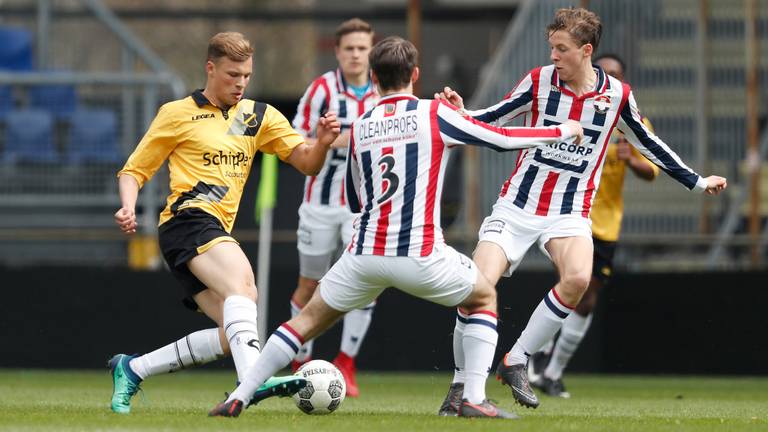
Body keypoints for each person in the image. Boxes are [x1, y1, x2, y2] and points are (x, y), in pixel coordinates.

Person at [208, 35, 584, 419]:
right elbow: (501, 139)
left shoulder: (360, 126)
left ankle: (240, 394)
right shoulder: (433, 113)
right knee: (483, 297)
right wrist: (562, 131)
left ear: (373, 77)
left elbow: (356, 200)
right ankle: (472, 396)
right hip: (420, 254)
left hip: (363, 255)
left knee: (303, 322)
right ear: (415, 75)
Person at [436, 7, 726, 410]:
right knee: (477, 291)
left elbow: (647, 143)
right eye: (551, 47)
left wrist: (696, 181)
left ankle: (517, 359)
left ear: (586, 50)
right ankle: (460, 385)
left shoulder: (616, 95)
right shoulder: (538, 81)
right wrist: (461, 112)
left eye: (561, 48)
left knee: (577, 279)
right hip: (517, 206)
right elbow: (493, 119)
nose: (552, 56)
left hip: (569, 211)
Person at [109, 31, 341, 414]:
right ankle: (252, 382)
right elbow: (133, 170)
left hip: (210, 231)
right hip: (188, 220)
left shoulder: (258, 116)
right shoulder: (177, 113)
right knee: (244, 288)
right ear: (210, 68)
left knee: (232, 331)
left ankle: (133, 368)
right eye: (233, 75)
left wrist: (322, 142)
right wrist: (128, 206)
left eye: (247, 76)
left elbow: (305, 162)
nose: (241, 83)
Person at [526, 53, 660, 398]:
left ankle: (549, 370)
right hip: (568, 213)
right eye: (604, 71)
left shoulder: (634, 122)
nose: (609, 78)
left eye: (616, 74)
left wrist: (633, 162)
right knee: (570, 285)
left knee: (585, 299)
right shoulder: (577, 113)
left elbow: (653, 172)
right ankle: (531, 358)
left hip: (604, 225)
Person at [289, 18, 379, 397]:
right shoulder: (322, 89)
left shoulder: (383, 90)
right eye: (349, 48)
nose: (356, 54)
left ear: (371, 51)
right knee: (310, 284)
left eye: (362, 48)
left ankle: (347, 362)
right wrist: (337, 141)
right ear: (338, 52)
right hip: (320, 203)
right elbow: (295, 139)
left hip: (364, 208)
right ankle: (300, 361)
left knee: (365, 284)